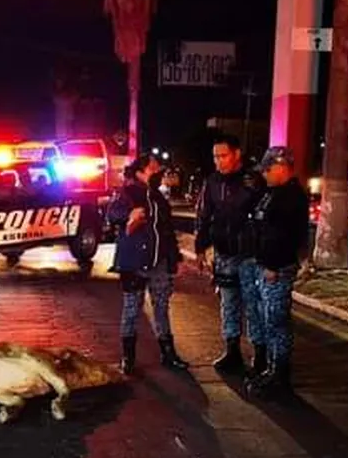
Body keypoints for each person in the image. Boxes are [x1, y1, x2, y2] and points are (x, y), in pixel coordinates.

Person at [194, 133, 270, 374]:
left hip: (249, 254)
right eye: (215, 156)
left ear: (237, 154)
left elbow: (267, 216)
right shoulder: (213, 182)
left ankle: (260, 353)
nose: (219, 161)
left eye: (223, 156)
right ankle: (232, 350)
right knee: (228, 303)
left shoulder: (255, 180)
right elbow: (204, 216)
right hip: (224, 253)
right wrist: (200, 246)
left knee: (253, 304)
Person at [107, 153, 187, 375]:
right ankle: (128, 357)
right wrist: (128, 214)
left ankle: (168, 353)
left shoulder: (158, 198)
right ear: (140, 171)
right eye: (153, 169)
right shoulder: (127, 193)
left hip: (159, 262)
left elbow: (167, 230)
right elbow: (112, 214)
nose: (158, 172)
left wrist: (174, 258)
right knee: (132, 309)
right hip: (133, 262)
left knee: (161, 307)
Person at [247, 147, 310, 394]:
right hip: (266, 267)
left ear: (282, 167)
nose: (264, 174)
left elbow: (285, 237)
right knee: (268, 320)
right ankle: (272, 370)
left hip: (277, 269)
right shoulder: (272, 193)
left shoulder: (291, 197)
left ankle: (280, 376)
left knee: (277, 322)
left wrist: (273, 265)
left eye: (268, 169)